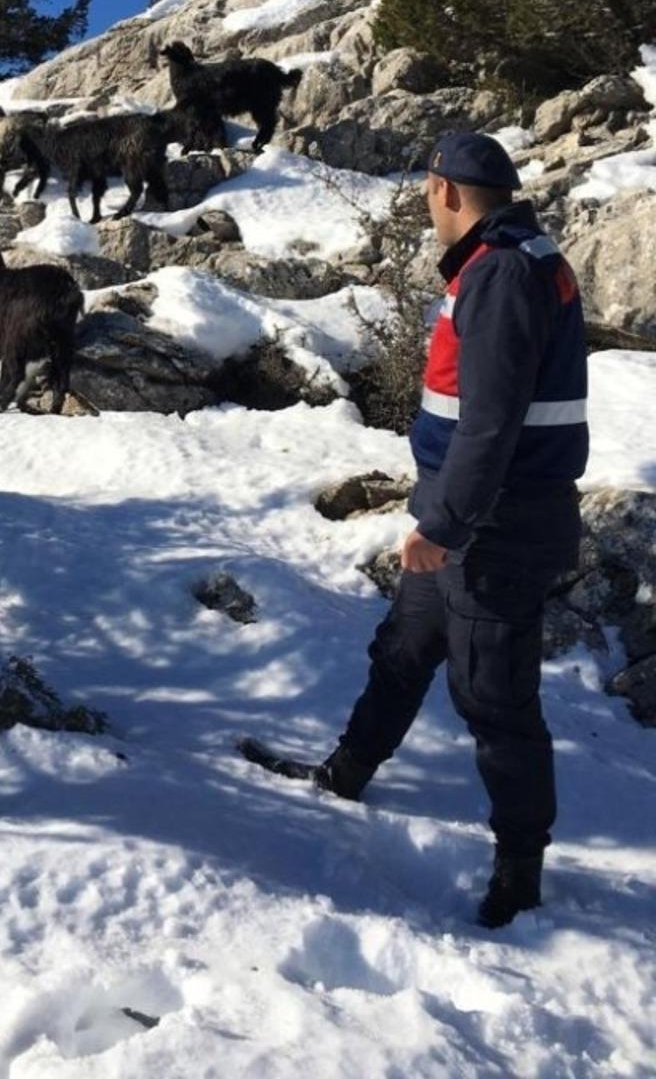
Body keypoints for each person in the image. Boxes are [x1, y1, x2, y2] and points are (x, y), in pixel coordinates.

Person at [241, 130, 588, 927]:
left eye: (428, 194)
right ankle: (346, 774)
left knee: (493, 694)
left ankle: (519, 870)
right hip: (475, 510)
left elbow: (491, 422)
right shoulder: (511, 259)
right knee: (404, 650)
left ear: (446, 191)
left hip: (494, 521)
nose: (428, 208)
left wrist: (444, 523)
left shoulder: (501, 272)